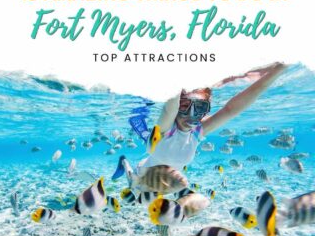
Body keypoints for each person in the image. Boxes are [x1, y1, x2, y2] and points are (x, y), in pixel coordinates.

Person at [112, 62, 286, 179]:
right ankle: (124, 162)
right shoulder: (166, 129)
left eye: (200, 108)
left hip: (165, 185)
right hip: (142, 174)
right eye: (185, 105)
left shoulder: (197, 132)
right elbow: (168, 108)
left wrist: (278, 69)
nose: (191, 115)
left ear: (207, 108)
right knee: (132, 176)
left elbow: (231, 110)